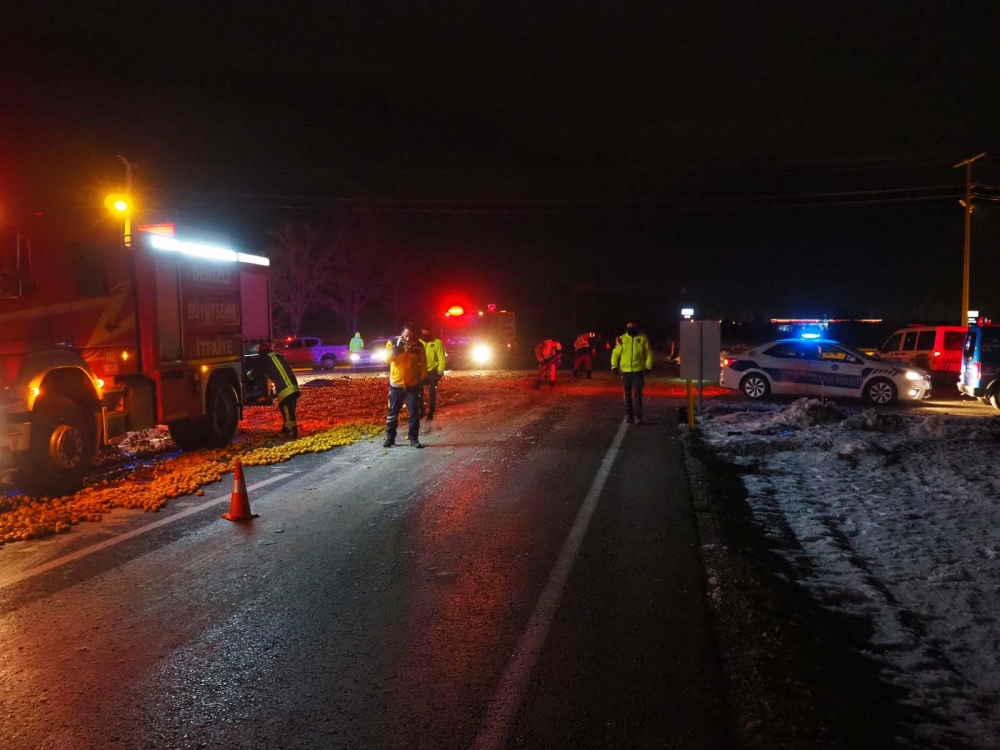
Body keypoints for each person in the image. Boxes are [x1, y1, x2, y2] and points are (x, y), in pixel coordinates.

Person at [384, 323, 428, 448]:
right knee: (393, 412)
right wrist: (396, 349)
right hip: (396, 383)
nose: (409, 339)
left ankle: (413, 439)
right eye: (407, 336)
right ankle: (390, 438)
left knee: (414, 412)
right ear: (402, 332)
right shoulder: (392, 342)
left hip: (412, 384)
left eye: (411, 336)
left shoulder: (418, 346)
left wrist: (424, 377)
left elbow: (423, 362)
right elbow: (386, 360)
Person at [257, 342, 301, 438]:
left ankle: (292, 432)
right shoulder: (277, 356)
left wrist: (250, 376)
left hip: (285, 387)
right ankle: (285, 431)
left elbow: (259, 373)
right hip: (293, 386)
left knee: (287, 410)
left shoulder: (265, 359)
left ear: (261, 352)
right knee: (288, 410)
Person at [611, 322, 652, 424]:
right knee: (627, 394)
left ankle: (638, 416)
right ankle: (630, 416)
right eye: (629, 326)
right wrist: (614, 366)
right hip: (626, 372)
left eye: (632, 326)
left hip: (638, 371)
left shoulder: (642, 338)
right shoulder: (622, 339)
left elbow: (649, 353)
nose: (630, 327)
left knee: (638, 393)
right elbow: (615, 353)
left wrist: (648, 367)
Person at [419, 325, 446, 420]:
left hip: (433, 372)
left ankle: (431, 411)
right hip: (421, 371)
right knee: (418, 392)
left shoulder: (437, 342)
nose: (425, 333)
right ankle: (421, 411)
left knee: (431, 392)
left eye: (427, 330)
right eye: (424, 330)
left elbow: (441, 358)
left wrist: (440, 371)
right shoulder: (419, 342)